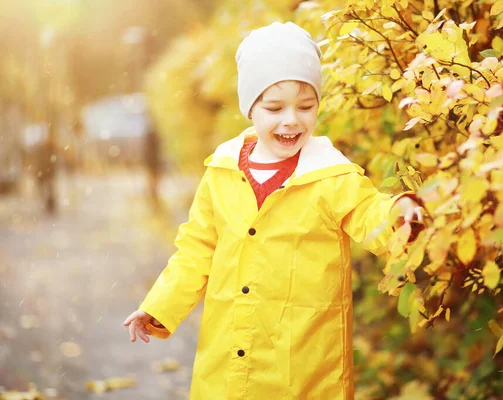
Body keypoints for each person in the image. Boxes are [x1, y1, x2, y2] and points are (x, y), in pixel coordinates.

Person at [124, 21, 424, 399]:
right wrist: (159, 306)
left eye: (305, 106)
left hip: (304, 367)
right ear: (250, 107)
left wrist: (400, 214)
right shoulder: (222, 171)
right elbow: (196, 251)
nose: (291, 120)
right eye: (274, 107)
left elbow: (369, 212)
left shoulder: (329, 175)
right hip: (229, 364)